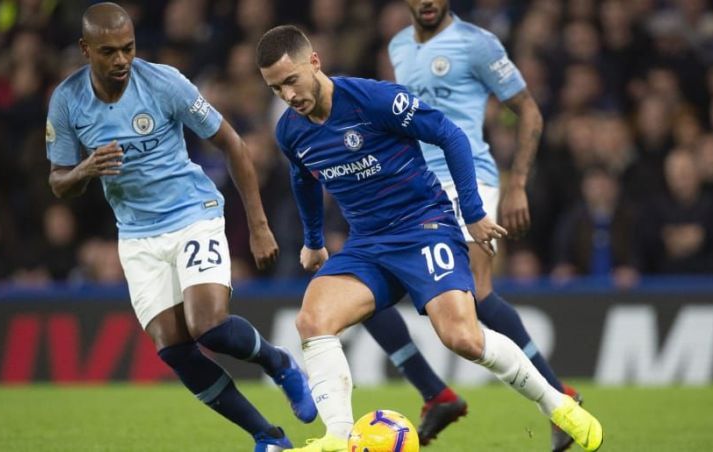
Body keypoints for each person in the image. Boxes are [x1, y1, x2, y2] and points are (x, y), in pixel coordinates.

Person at [256, 25, 603, 452]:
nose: (288, 96)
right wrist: (312, 239)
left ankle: (558, 406)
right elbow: (302, 178)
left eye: (291, 81)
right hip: (368, 244)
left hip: (423, 227)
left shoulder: (374, 99)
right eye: (276, 89)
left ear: (314, 62)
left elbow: (450, 135)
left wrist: (473, 214)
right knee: (312, 320)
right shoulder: (291, 131)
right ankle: (338, 438)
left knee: (462, 336)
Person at [45, 4, 316, 451]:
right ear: (85, 49)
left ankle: (280, 362)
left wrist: (258, 225)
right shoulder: (67, 101)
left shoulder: (164, 83)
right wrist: (84, 170)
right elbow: (59, 183)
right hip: (137, 235)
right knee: (173, 349)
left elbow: (232, 144)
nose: (120, 61)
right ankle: (267, 436)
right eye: (108, 51)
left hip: (193, 213)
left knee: (207, 324)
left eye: (128, 49)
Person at [358, 0, 584, 449]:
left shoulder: (477, 44)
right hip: (415, 188)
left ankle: (559, 397)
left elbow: (529, 112)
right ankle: (435, 393)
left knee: (477, 297)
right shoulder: (398, 46)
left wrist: (516, 182)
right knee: (365, 288)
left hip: (469, 180)